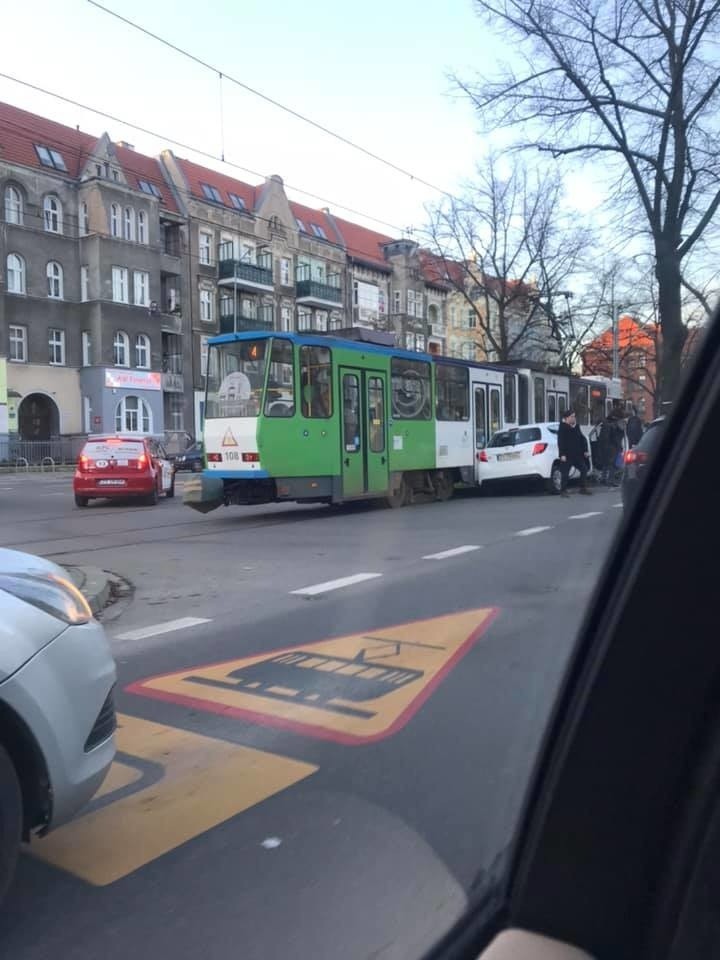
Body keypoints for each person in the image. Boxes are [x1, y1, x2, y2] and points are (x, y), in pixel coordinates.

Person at [558, 408, 592, 497]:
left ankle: (583, 488)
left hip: (577, 455)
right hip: (567, 455)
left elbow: (582, 439)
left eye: (574, 416)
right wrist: (562, 454)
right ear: (566, 418)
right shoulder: (562, 428)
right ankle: (563, 491)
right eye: (572, 417)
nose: (574, 418)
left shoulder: (576, 427)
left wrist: (585, 451)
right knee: (565, 473)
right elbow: (560, 442)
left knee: (584, 469)